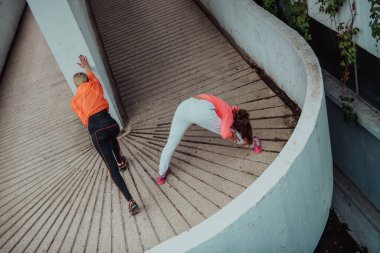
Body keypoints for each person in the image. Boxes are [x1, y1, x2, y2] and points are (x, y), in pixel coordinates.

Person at [71, 55, 139, 215]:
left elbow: (84, 121)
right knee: (112, 136)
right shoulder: (94, 85)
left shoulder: (74, 101)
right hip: (111, 124)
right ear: (87, 80)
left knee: (111, 168)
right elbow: (91, 76)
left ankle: (131, 201)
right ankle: (122, 161)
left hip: (96, 130)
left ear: (76, 86)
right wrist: (86, 66)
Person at [157, 94, 262, 185]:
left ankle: (161, 175)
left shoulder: (229, 108)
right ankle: (252, 142)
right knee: (228, 132)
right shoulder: (229, 115)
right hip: (202, 111)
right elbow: (225, 133)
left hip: (184, 106)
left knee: (171, 143)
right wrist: (231, 134)